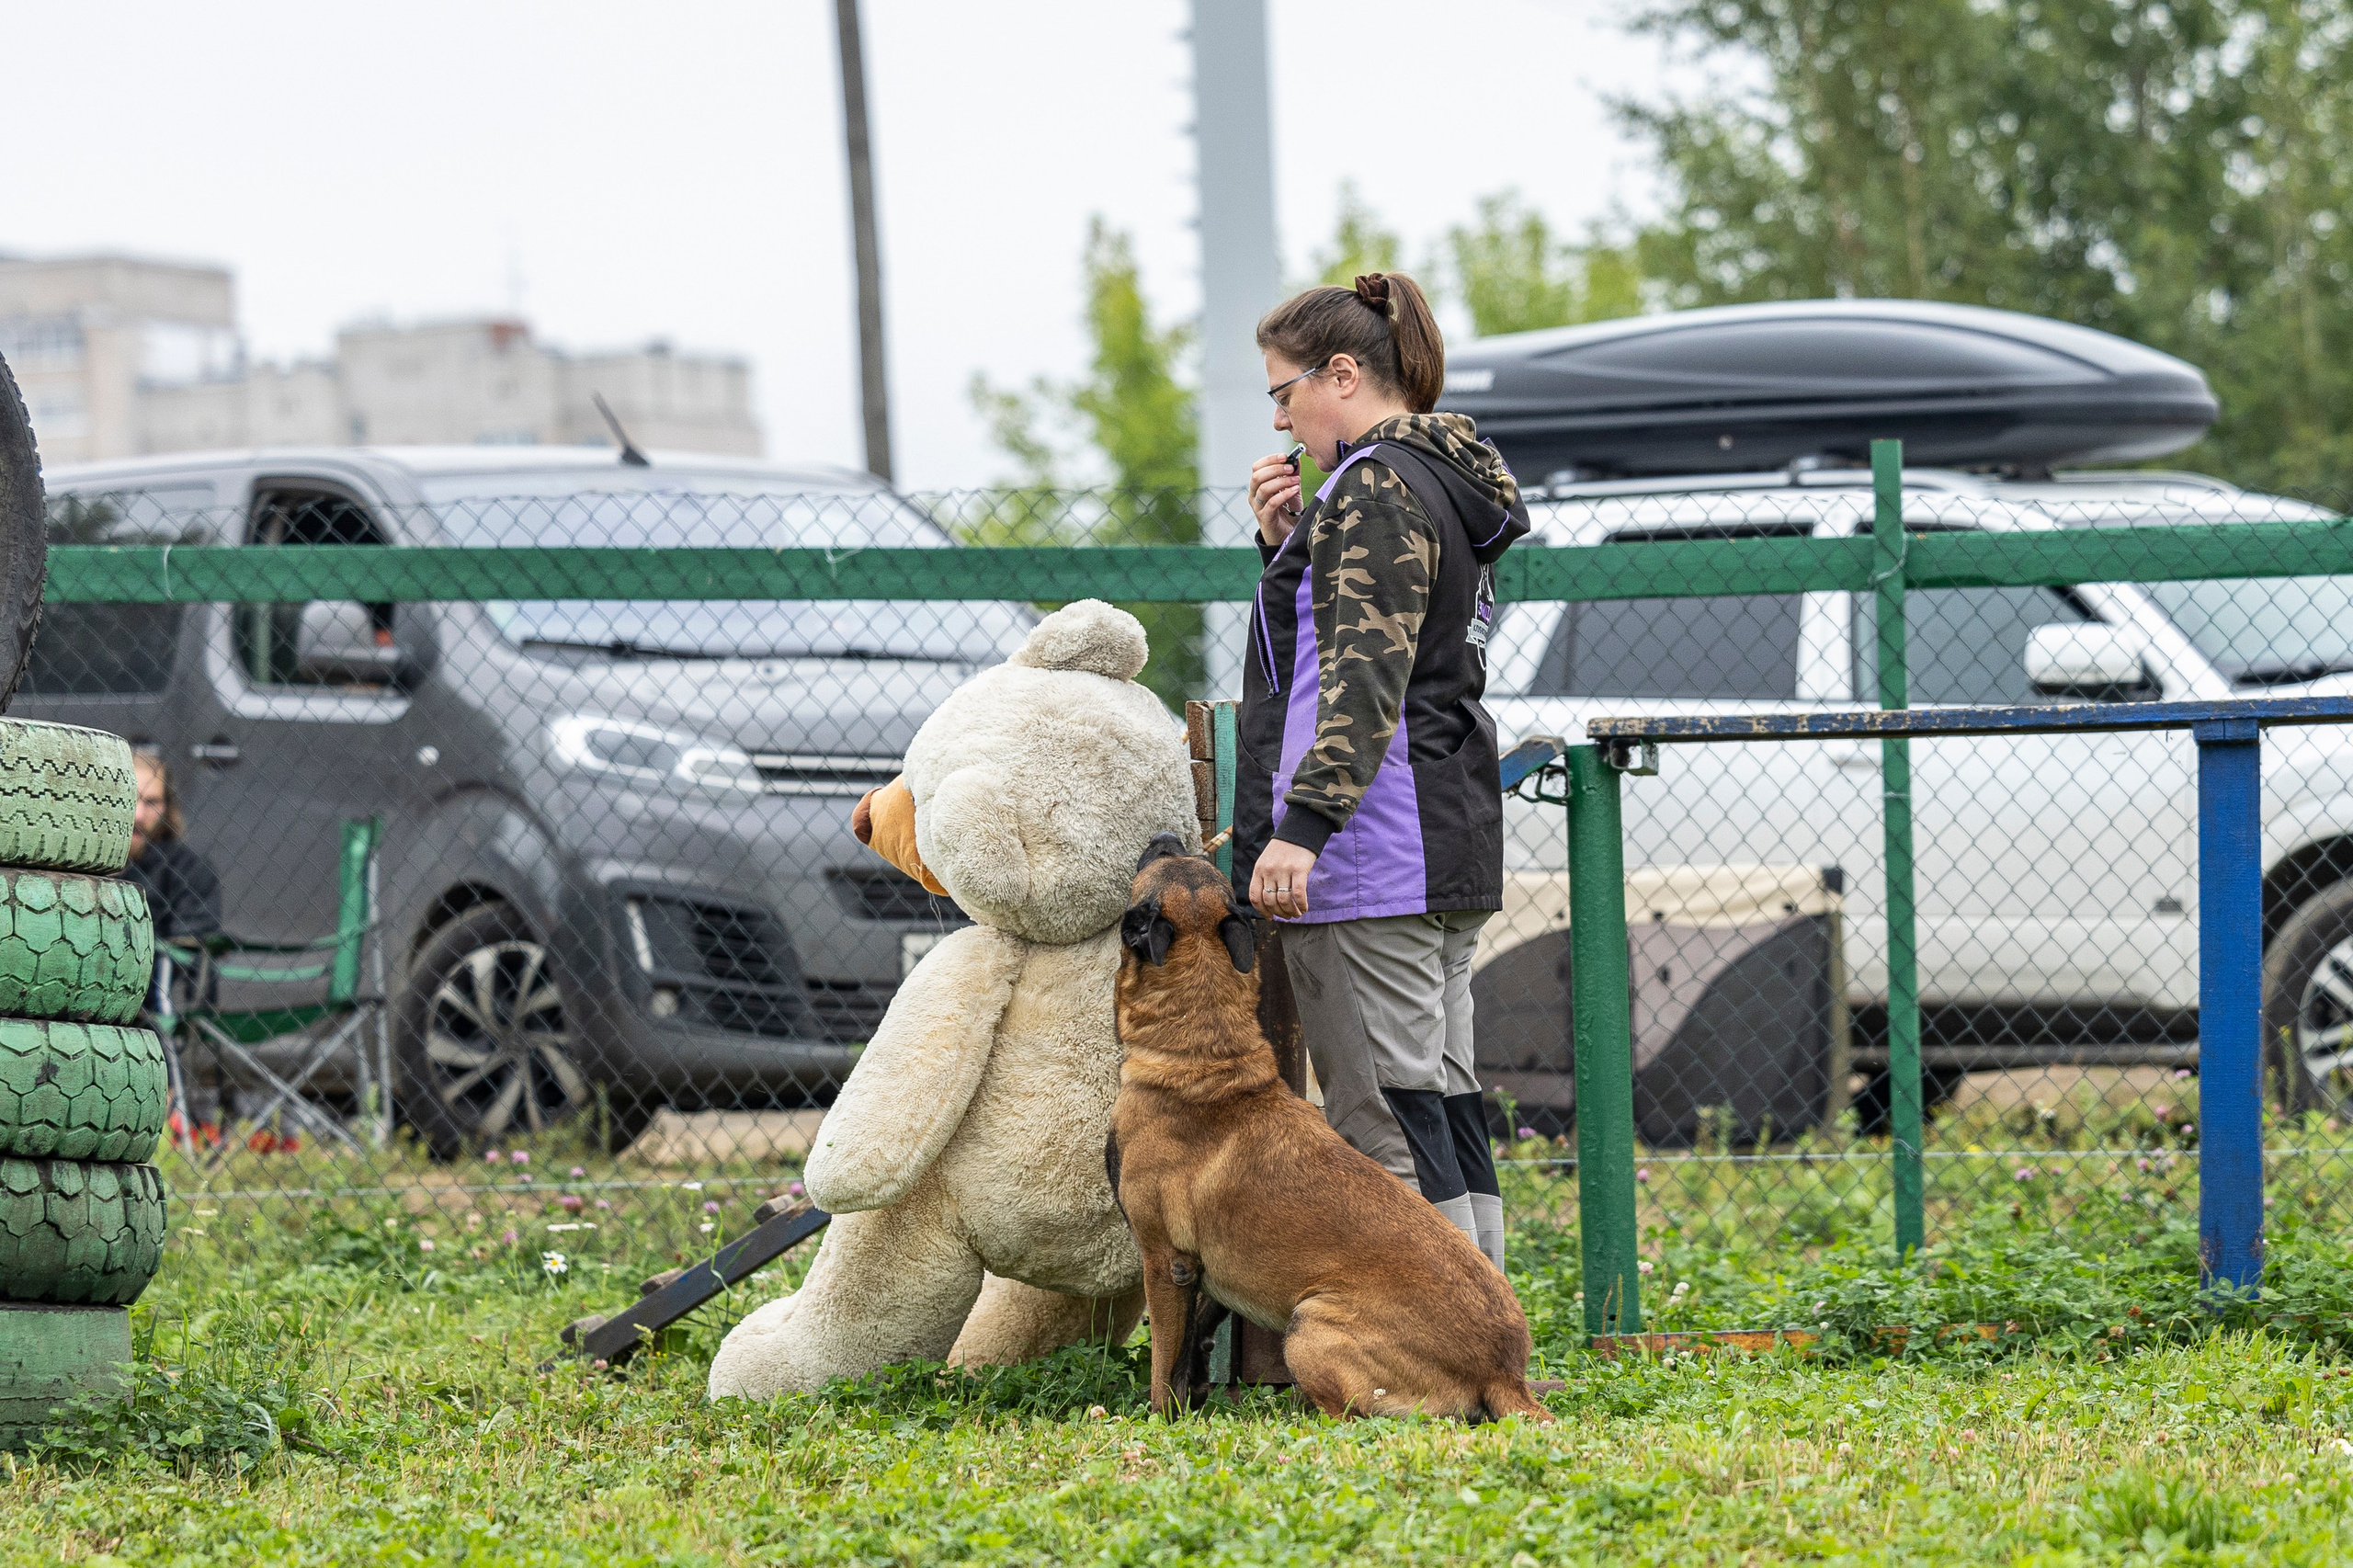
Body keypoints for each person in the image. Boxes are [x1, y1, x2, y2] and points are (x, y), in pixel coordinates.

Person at [1233, 272, 1530, 1271]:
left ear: (1344, 373)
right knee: (1440, 1105)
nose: (1279, 417)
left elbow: (1361, 678)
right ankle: (1487, 1331)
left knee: (1382, 1128)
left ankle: (1441, 1355)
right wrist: (1287, 545)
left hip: (1370, 855)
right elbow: (1394, 638)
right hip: (1442, 838)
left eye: (1284, 392)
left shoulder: (1370, 485)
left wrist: (1301, 826)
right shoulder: (1445, 478)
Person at [125, 750, 225, 1137]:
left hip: (157, 991)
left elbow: (194, 941)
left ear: (168, 809)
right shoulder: (87, 865)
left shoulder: (188, 868)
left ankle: (168, 1108)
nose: (138, 815)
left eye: (151, 802)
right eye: (131, 799)